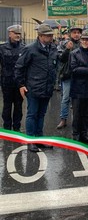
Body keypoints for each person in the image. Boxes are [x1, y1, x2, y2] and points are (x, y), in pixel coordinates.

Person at [14, 24, 58, 152]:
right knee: (32, 114)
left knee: (41, 114)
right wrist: (21, 85)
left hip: (47, 88)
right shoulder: (30, 49)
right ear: (40, 36)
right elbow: (19, 68)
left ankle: (39, 139)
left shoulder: (53, 48)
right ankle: (30, 141)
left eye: (51, 35)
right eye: (48, 35)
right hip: (33, 88)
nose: (50, 37)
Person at [56, 26, 82, 129]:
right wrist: (67, 49)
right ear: (70, 34)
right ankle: (63, 119)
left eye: (78, 32)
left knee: (78, 99)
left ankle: (77, 119)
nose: (76, 34)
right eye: (74, 32)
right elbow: (61, 59)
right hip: (67, 75)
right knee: (65, 98)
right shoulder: (63, 44)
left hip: (79, 75)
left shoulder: (82, 44)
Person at [0, 25, 25, 131]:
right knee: (7, 106)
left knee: (19, 106)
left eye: (19, 34)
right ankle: (6, 127)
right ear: (9, 34)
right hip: (7, 82)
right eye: (15, 33)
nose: (18, 35)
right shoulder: (2, 48)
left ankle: (16, 127)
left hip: (19, 83)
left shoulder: (24, 48)